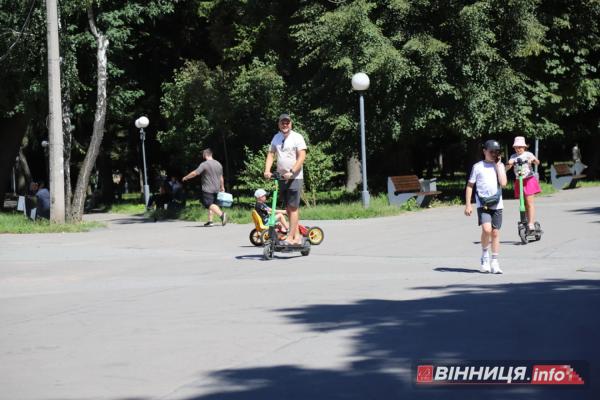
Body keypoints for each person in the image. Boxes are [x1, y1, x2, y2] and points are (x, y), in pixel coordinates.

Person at [464, 139, 508, 274]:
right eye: (491, 152)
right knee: (487, 230)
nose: (494, 154)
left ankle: (495, 261)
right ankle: (485, 255)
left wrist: (499, 166)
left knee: (495, 233)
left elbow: (504, 183)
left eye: (497, 152)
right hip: (482, 203)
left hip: (497, 204)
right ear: (484, 151)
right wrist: (468, 205)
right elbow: (470, 186)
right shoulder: (478, 166)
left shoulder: (499, 166)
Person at [264, 113, 307, 245]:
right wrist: (267, 170)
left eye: (287, 122)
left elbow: (302, 156)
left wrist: (292, 171)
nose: (285, 125)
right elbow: (271, 154)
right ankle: (297, 236)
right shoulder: (276, 138)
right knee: (288, 208)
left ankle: (290, 237)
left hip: (295, 177)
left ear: (291, 124)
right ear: (279, 124)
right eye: (282, 122)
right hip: (281, 178)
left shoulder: (297, 137)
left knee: (293, 208)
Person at [182, 148, 227, 226]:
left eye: (203, 154)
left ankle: (222, 215)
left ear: (205, 155)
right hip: (216, 188)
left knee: (208, 204)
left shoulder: (204, 164)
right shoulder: (218, 164)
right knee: (213, 204)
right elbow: (221, 177)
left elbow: (195, 173)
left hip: (208, 188)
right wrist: (222, 186)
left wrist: (186, 177)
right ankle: (210, 221)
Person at [505, 136, 541, 232]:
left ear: (524, 147)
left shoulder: (528, 154)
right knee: (523, 203)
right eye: (516, 147)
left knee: (529, 203)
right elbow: (507, 168)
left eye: (520, 147)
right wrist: (509, 163)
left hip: (529, 180)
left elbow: (537, 162)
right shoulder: (513, 156)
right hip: (519, 181)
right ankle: (525, 220)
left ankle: (531, 223)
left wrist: (532, 160)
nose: (518, 149)